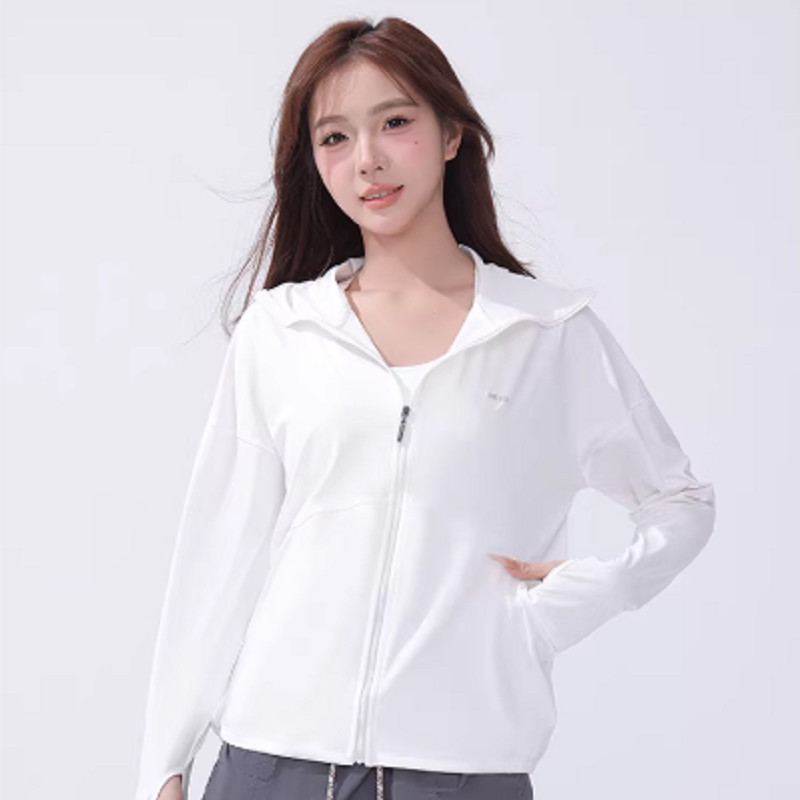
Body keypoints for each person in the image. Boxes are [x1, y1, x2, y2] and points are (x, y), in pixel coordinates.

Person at [134, 15, 716, 800]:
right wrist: (164, 761)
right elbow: (218, 550)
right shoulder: (283, 331)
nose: (367, 159)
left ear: (451, 135)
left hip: (461, 772)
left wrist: (596, 589)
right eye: (334, 137)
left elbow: (681, 501)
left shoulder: (546, 334)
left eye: (395, 122)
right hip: (270, 762)